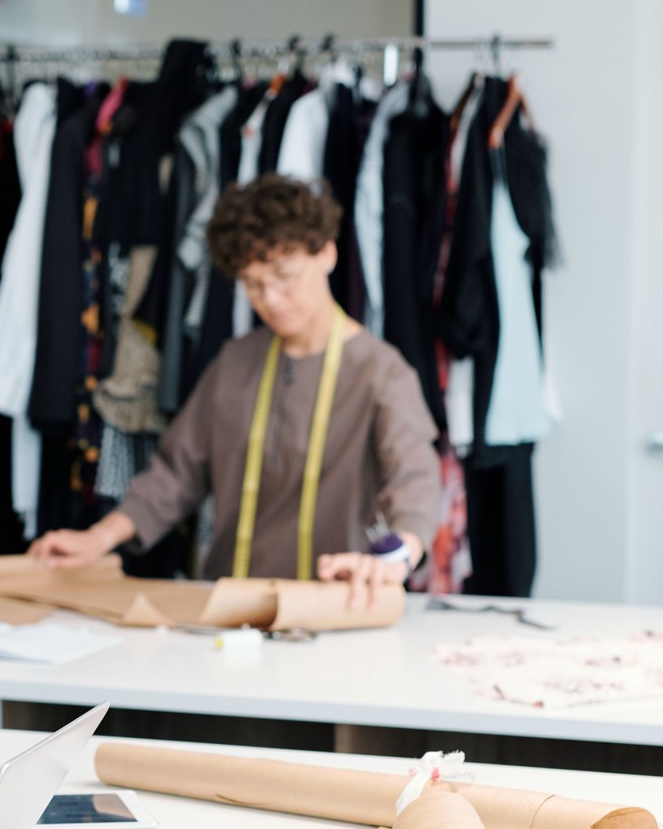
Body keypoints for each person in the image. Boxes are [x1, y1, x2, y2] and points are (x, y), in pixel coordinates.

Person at [28, 175, 440, 608]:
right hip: (231, 610)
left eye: (285, 276)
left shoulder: (381, 372)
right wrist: (99, 538)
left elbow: (413, 480)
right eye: (253, 284)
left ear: (327, 254)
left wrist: (396, 555)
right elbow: (174, 474)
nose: (272, 299)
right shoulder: (235, 363)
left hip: (334, 611)